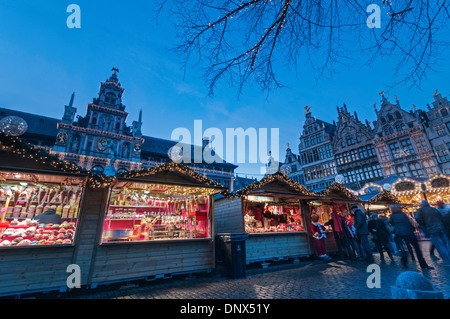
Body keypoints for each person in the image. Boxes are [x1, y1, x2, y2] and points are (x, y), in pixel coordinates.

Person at [415, 200, 450, 266]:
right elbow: (441, 217)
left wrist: (422, 225)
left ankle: (446, 260)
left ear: (422, 204)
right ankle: (448, 258)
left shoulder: (421, 210)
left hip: (431, 229)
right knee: (445, 244)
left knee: (439, 245)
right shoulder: (434, 209)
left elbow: (417, 218)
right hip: (441, 228)